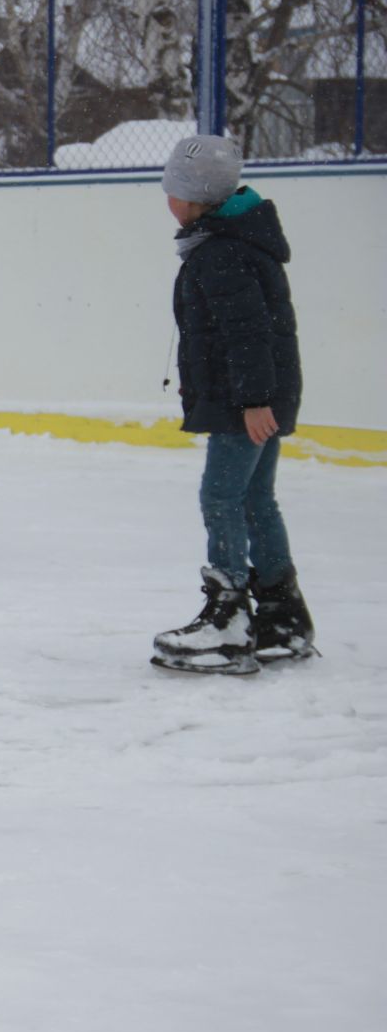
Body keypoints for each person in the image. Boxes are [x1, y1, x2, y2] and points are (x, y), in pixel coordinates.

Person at [150, 135, 315, 675]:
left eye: (172, 188)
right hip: (258, 394)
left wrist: (252, 401)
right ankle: (282, 618)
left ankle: (228, 622)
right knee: (255, 500)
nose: (167, 198)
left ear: (193, 195)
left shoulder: (222, 252)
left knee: (221, 497)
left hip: (244, 400)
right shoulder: (234, 241)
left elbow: (248, 334)